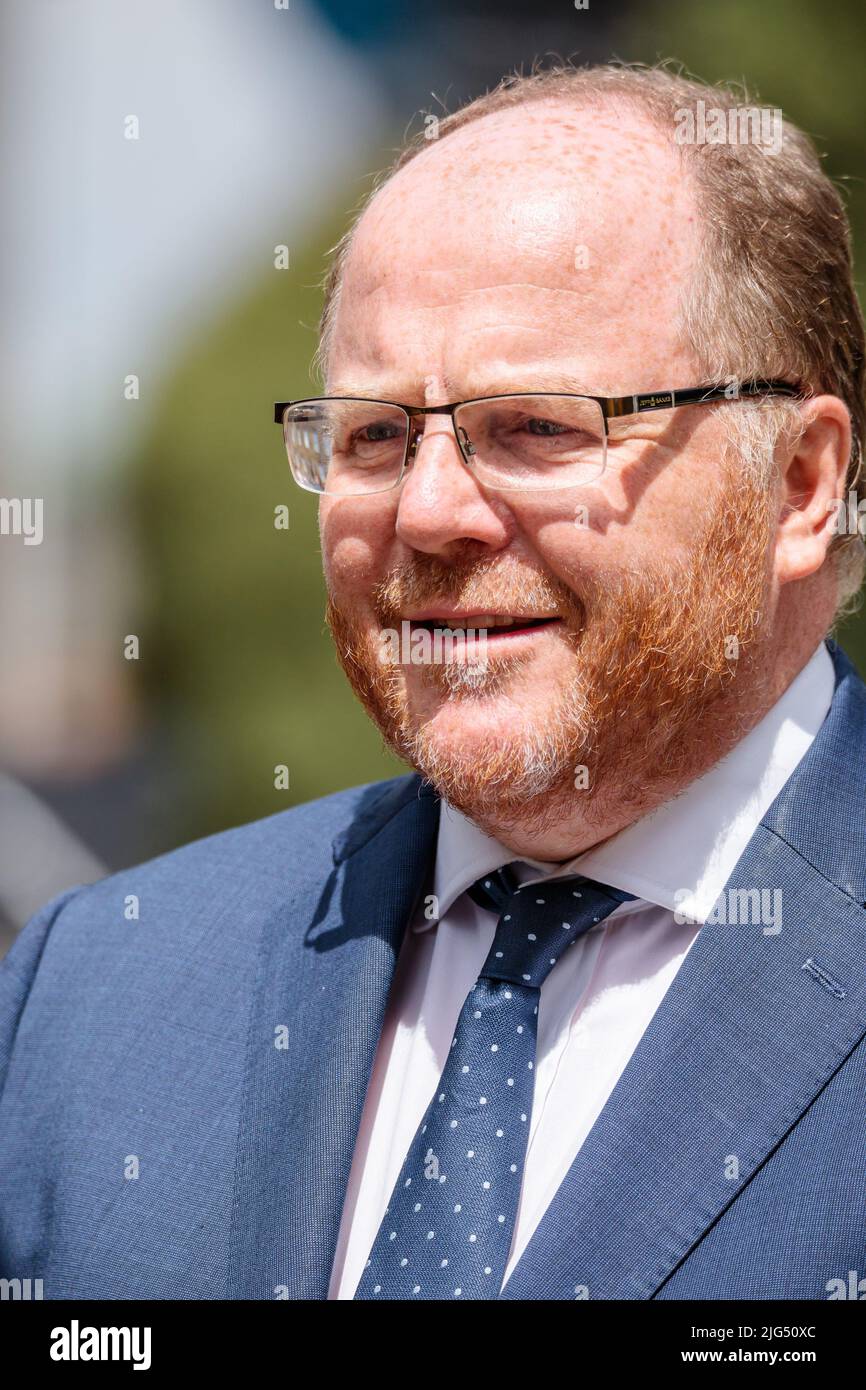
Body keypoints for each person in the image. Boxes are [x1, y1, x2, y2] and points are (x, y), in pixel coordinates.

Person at [2, 62, 865, 1301]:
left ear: (796, 483)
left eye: (538, 426)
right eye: (371, 436)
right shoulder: (103, 989)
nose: (427, 510)